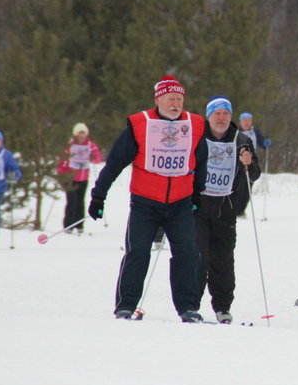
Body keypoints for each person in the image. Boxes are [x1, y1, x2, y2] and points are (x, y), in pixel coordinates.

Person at [87, 76, 208, 322]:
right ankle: (126, 306)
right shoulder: (140, 124)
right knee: (138, 253)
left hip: (180, 202)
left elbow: (201, 162)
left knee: (187, 253)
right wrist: (99, 196)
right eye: (170, 99)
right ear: (158, 99)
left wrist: (197, 194)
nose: (175, 104)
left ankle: (188, 308)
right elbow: (115, 163)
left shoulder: (195, 124)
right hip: (145, 202)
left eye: (179, 99)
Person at [194, 96, 261, 323]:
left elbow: (255, 175)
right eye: (217, 113)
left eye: (225, 113)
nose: (221, 118)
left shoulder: (241, 140)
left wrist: (248, 162)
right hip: (198, 207)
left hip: (226, 208)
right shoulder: (197, 136)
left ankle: (222, 307)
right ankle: (190, 305)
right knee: (197, 257)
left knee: (223, 260)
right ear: (209, 116)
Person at [56, 123, 102, 234]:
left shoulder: (90, 145)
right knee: (71, 201)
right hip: (70, 178)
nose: (81, 136)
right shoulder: (70, 144)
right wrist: (61, 172)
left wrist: (93, 157)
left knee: (80, 202)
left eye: (83, 133)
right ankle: (68, 226)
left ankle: (79, 225)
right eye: (79, 133)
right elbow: (62, 158)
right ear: (75, 134)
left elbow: (98, 158)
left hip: (83, 178)